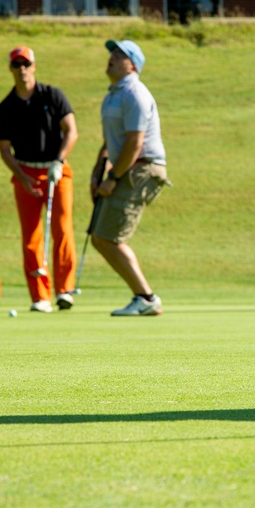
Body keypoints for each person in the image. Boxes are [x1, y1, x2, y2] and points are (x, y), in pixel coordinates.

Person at [89, 39, 171, 317]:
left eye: (119, 54)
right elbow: (111, 142)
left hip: (141, 169)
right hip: (127, 168)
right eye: (112, 52)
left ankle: (146, 297)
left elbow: (135, 143)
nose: (111, 57)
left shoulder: (134, 93)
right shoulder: (113, 94)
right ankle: (143, 296)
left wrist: (112, 178)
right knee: (101, 238)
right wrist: (97, 173)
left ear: (133, 65)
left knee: (108, 238)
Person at [0, 46, 79, 313]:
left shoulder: (53, 95)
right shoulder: (6, 107)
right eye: (17, 64)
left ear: (34, 66)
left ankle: (64, 291)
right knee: (31, 236)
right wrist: (20, 176)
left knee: (62, 230)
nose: (22, 69)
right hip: (25, 173)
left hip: (56, 170)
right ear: (10, 68)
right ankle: (40, 296)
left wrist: (59, 160)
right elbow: (4, 148)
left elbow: (71, 131)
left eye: (26, 64)